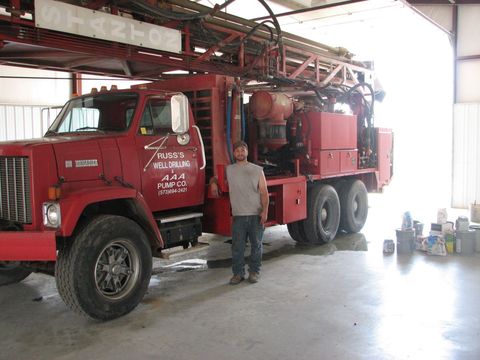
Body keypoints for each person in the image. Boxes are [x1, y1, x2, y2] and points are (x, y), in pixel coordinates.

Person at [210, 141, 269, 284]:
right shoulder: (229, 170)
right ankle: (238, 274)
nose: (240, 153)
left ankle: (254, 272)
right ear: (234, 153)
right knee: (237, 248)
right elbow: (215, 177)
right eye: (237, 151)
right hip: (238, 217)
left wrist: (264, 212)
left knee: (256, 246)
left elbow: (264, 193)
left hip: (255, 215)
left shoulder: (257, 170)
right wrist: (213, 183)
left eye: (242, 150)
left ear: (247, 152)